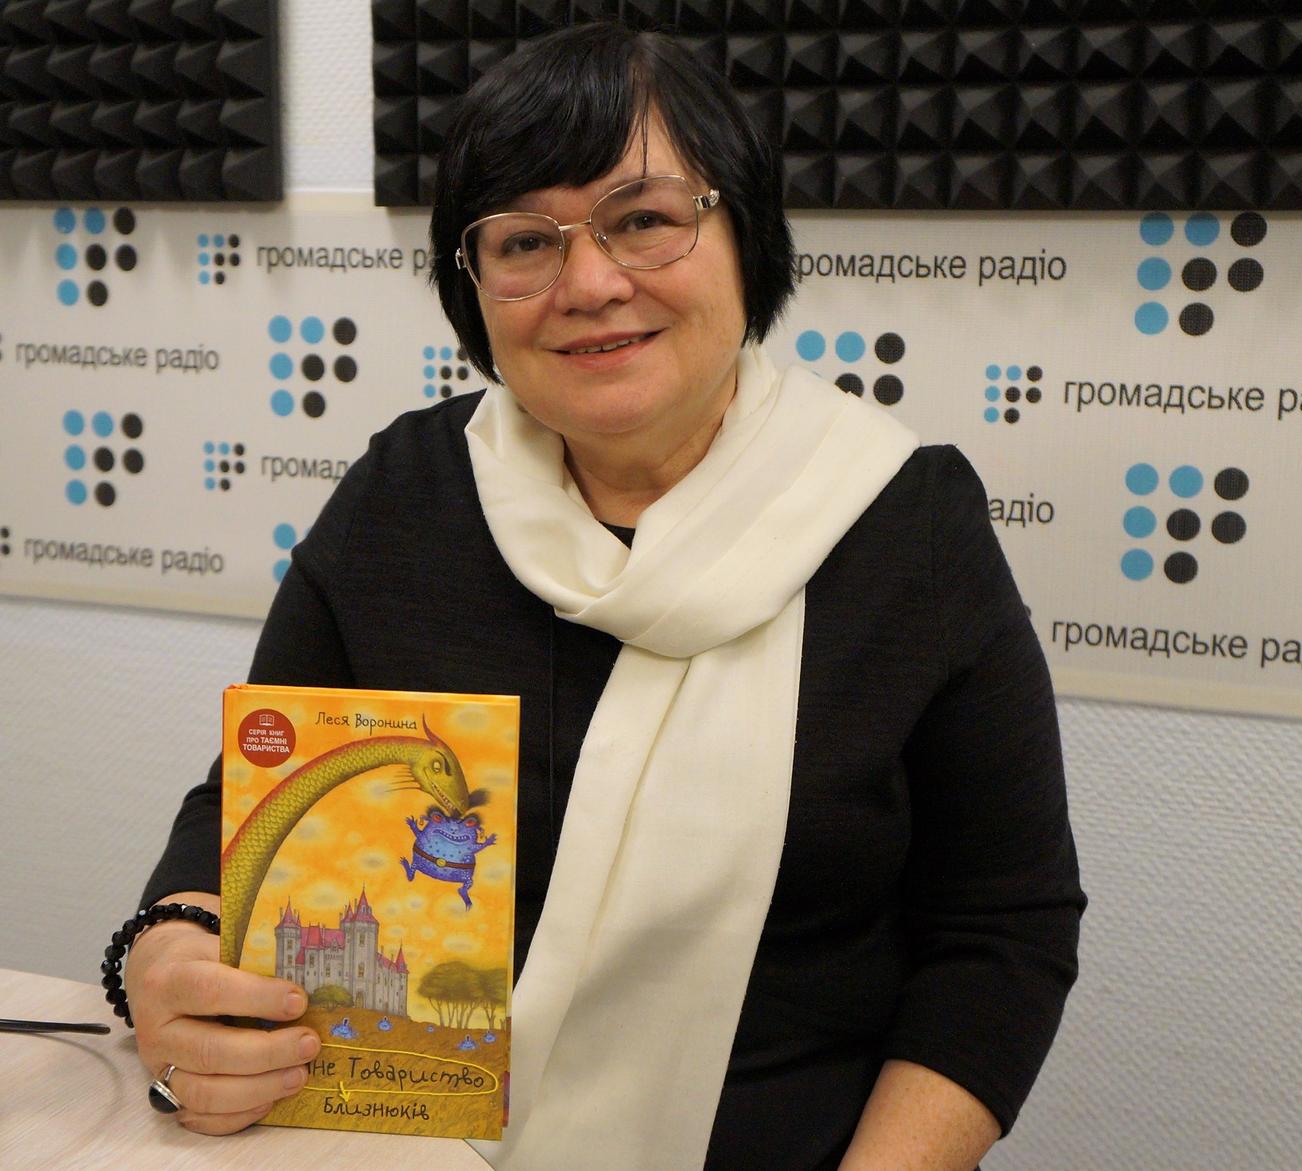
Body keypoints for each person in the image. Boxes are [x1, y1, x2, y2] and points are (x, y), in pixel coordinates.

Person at [120, 21, 1085, 1171]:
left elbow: (1000, 932)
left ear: (745, 234)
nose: (589, 283)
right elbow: (252, 801)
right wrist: (171, 942)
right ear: (474, 286)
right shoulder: (403, 496)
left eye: (643, 220)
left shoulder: (907, 526)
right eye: (526, 241)